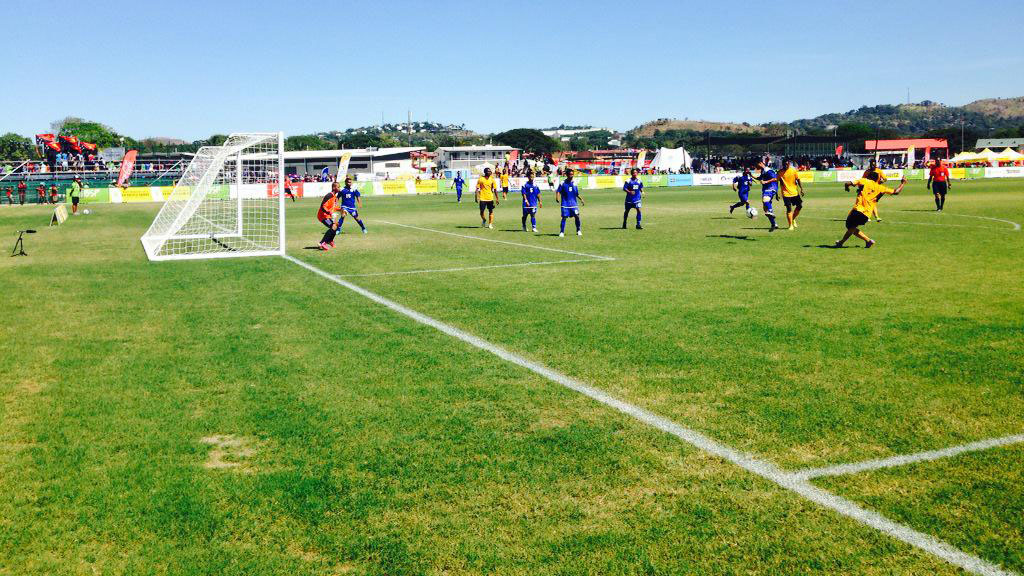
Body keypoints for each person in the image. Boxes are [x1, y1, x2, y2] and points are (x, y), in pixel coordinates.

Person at [835, 176, 906, 248]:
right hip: (867, 215)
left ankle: (842, 243)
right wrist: (903, 183)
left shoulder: (864, 181)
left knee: (850, 227)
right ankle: (867, 241)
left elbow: (847, 183)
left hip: (858, 210)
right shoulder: (882, 188)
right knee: (852, 227)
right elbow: (896, 192)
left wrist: (846, 187)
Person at [555, 167, 584, 237]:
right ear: (567, 175)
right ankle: (562, 232)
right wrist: (557, 197)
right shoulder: (563, 183)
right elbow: (558, 191)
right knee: (564, 217)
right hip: (565, 204)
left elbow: (576, 193)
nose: (572, 176)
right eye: (570, 174)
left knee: (577, 216)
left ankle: (578, 230)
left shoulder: (574, 183)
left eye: (572, 174)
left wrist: (581, 199)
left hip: (574, 203)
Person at [778, 159, 804, 230]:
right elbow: (776, 182)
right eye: (784, 164)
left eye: (787, 164)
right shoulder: (780, 172)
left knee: (799, 206)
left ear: (789, 164)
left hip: (794, 192)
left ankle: (793, 219)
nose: (785, 165)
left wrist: (801, 189)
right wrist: (777, 193)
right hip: (786, 193)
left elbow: (798, 179)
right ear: (782, 164)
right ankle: (790, 225)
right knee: (789, 209)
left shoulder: (793, 170)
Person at [755, 160, 780, 232]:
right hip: (766, 189)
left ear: (761, 163)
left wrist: (766, 181)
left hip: (770, 188)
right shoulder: (763, 171)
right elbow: (759, 178)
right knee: (765, 208)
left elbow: (775, 179)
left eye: (757, 166)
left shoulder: (768, 170)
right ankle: (774, 224)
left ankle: (771, 211)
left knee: (765, 200)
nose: (757, 168)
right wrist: (750, 175)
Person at [316, 183, 341, 250]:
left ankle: (330, 241)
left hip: (327, 216)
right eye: (338, 187)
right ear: (333, 188)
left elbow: (333, 207)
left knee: (336, 225)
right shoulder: (329, 195)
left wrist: (341, 210)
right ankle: (322, 242)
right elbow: (322, 206)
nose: (339, 188)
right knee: (333, 226)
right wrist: (329, 212)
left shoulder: (334, 197)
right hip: (323, 216)